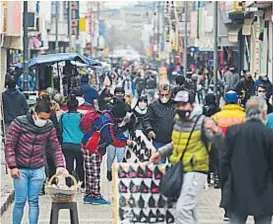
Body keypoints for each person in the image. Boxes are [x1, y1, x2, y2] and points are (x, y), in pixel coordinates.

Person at [150, 88, 219, 224]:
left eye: (184, 104)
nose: (181, 108)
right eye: (178, 105)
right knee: (182, 210)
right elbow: (175, 143)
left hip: (196, 170)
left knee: (183, 209)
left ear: (192, 105)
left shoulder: (203, 122)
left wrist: (216, 131)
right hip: (180, 168)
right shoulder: (178, 122)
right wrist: (160, 152)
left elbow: (220, 144)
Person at [209, 97, 273, 224]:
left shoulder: (234, 132)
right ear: (263, 113)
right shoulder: (268, 134)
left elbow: (224, 161)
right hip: (264, 191)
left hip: (237, 190)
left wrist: (225, 183)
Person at [4, 99, 68, 224]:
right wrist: (12, 166)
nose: (43, 121)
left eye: (46, 118)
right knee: (20, 200)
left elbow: (55, 147)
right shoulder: (19, 123)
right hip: (20, 168)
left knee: (34, 201)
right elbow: (10, 145)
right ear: (34, 113)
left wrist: (60, 165)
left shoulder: (49, 126)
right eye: (41, 118)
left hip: (38, 168)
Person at [81, 100, 131, 205]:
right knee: (95, 172)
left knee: (89, 172)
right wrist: (125, 142)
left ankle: (89, 195)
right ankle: (96, 195)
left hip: (86, 144)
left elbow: (116, 132)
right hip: (94, 147)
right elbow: (112, 140)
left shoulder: (106, 114)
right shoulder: (107, 123)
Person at [212, 90, 245, 221]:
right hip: (240, 153)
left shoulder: (217, 117)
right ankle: (238, 209)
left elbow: (211, 135)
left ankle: (227, 210)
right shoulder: (244, 116)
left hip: (222, 153)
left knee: (225, 182)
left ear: (225, 101)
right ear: (237, 101)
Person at [143, 84, 176, 162]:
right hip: (158, 139)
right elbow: (147, 120)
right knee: (160, 165)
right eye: (162, 95)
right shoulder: (153, 105)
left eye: (166, 95)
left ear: (171, 94)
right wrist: (149, 130)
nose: (164, 97)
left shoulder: (176, 105)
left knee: (174, 165)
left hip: (173, 140)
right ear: (158, 94)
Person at [59, 94, 84, 188]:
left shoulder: (62, 117)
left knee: (69, 165)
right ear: (77, 105)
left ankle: (68, 183)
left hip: (66, 144)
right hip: (79, 144)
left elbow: (60, 129)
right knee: (80, 164)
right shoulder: (81, 117)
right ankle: (82, 182)